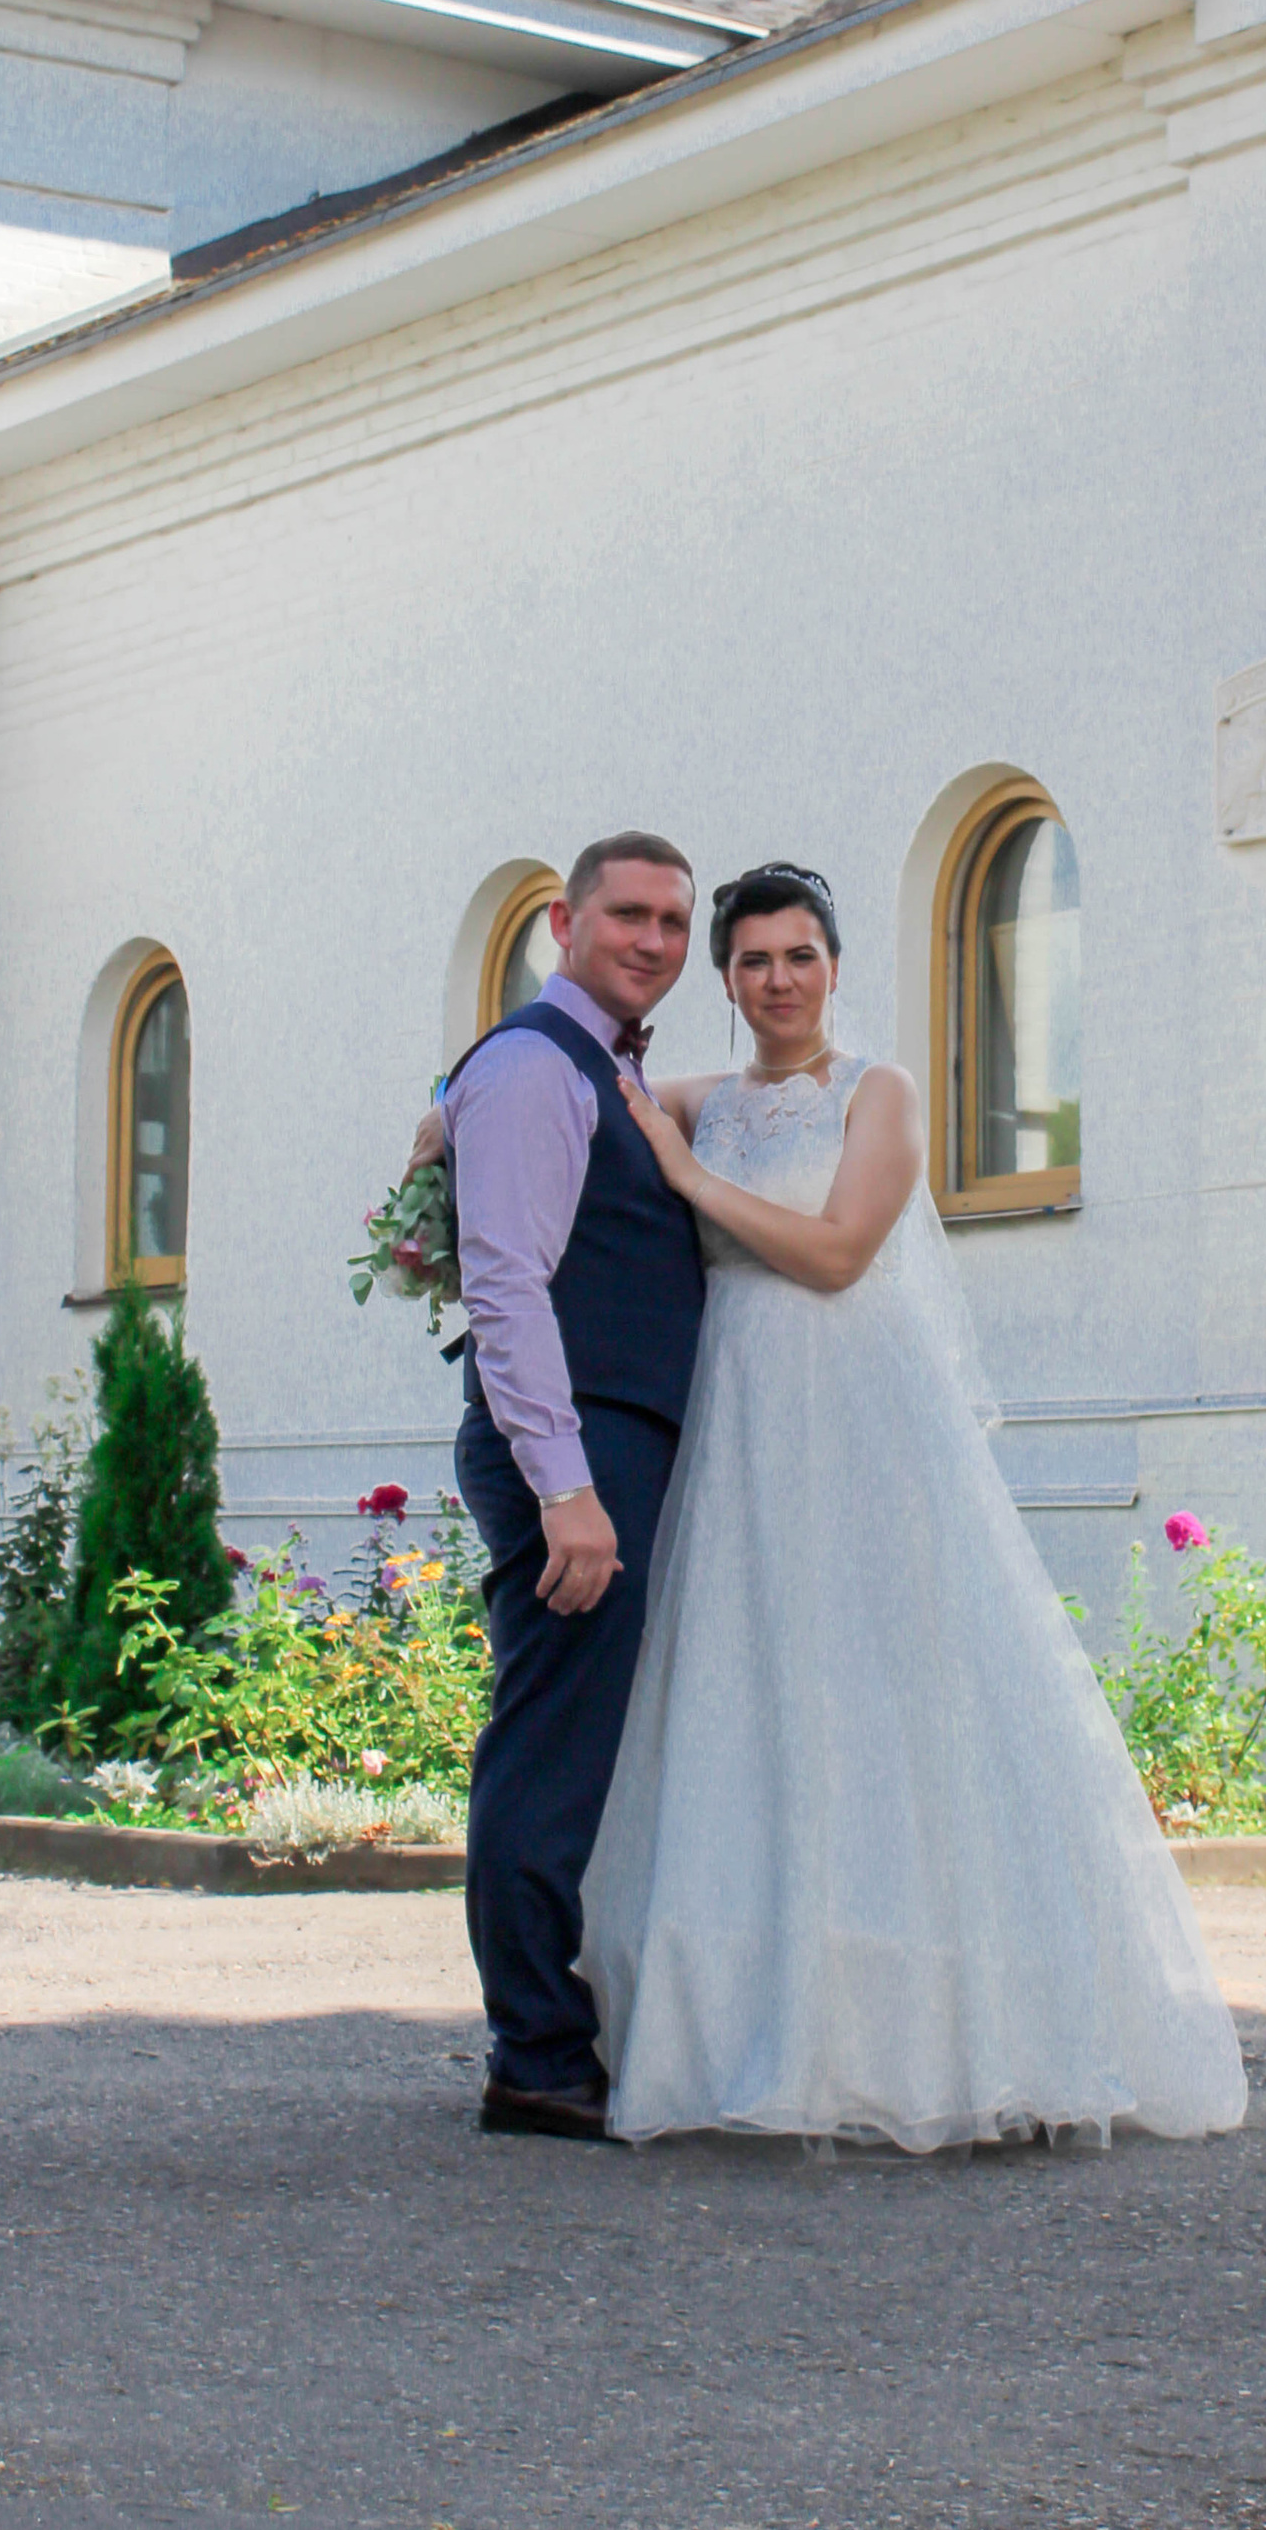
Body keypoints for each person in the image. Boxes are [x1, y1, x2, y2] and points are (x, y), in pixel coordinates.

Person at [584, 862, 1248, 2150]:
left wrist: (684, 1175)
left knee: (892, 1684)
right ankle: (751, 2015)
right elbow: (574, 1086)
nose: (778, 980)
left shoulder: (877, 1093)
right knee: (753, 1683)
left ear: (836, 965)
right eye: (754, 961)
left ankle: (935, 2031)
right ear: (727, 979)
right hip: (742, 1419)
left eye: (801, 956)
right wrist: (452, 1113)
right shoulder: (706, 1100)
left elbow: (837, 1254)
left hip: (856, 1412)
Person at [441, 832, 706, 2142]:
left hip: (605, 1441)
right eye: (629, 916)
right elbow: (506, 1284)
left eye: (672, 922)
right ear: (565, 920)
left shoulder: (595, 1072)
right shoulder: (535, 1067)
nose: (652, 941)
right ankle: (536, 2051)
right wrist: (564, 1487)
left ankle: (553, 2028)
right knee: (552, 1748)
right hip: (573, 1450)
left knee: (581, 1746)